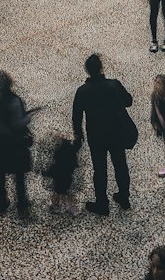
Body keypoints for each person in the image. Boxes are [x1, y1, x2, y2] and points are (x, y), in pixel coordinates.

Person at [71, 52, 135, 215]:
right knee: (120, 165)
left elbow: (76, 116)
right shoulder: (113, 85)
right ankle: (124, 197)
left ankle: (102, 203)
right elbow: (128, 101)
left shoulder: (82, 91)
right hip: (116, 132)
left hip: (96, 136)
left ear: (87, 71)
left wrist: (78, 135)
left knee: (99, 169)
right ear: (101, 68)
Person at [0, 70, 33, 218]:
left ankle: (1, 203)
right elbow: (19, 123)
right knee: (19, 175)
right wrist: (29, 117)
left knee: (0, 174)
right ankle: (21, 205)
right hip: (15, 144)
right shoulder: (14, 101)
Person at [43, 135, 80, 216]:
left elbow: (53, 163)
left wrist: (47, 172)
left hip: (59, 174)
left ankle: (56, 205)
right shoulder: (72, 150)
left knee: (57, 190)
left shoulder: (58, 151)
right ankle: (70, 207)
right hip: (68, 172)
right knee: (68, 190)